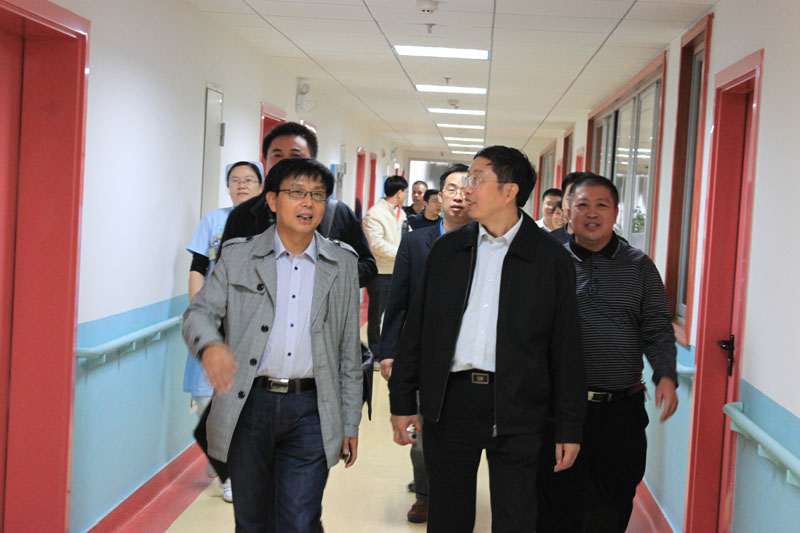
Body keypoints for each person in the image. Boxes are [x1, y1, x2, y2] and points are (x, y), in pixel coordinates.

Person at [389, 146, 586, 532]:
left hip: (520, 403)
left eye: (477, 180)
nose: (466, 189)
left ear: (510, 191)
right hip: (452, 400)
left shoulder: (550, 259)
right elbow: (419, 329)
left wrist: (569, 426)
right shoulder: (448, 249)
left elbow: (565, 349)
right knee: (448, 516)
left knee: (515, 516)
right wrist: (402, 400)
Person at [183, 158, 363, 531]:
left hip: (312, 407)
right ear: (272, 200)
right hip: (249, 404)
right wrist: (211, 346)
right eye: (297, 192)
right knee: (252, 521)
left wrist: (350, 422)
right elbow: (198, 313)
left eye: (318, 195)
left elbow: (349, 350)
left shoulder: (342, 263)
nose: (308, 203)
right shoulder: (239, 255)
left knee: (299, 519)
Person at [536, 174, 678, 533]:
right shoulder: (548, 261)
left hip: (621, 411)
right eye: (582, 205)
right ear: (568, 211)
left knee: (613, 502)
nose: (592, 213)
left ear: (616, 213)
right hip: (558, 409)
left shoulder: (639, 266)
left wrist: (665, 374)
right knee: (555, 505)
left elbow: (657, 326)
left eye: (602, 205)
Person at [379, 164, 470, 523]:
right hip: (421, 354)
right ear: (439, 197)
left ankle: (450, 497)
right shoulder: (417, 242)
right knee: (421, 431)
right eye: (451, 190)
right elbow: (398, 300)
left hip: (465, 357)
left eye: (466, 189)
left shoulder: (485, 243)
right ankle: (425, 494)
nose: (458, 196)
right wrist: (389, 352)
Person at [183, 160, 264, 502]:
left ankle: (229, 474)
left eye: (249, 179)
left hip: (247, 323)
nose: (241, 185)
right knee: (206, 397)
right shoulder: (213, 220)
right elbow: (197, 267)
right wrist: (199, 314)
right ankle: (219, 454)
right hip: (214, 319)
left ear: (261, 185)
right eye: (235, 180)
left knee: (237, 399)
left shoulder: (268, 221)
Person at [219, 121, 377, 289]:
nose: (286, 162)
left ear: (312, 161)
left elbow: (367, 267)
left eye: (295, 155)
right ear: (266, 162)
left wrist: (323, 274)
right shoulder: (243, 215)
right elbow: (225, 270)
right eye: (277, 155)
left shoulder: (336, 213)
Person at [362, 175, 408, 362]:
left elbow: (406, 236)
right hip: (380, 273)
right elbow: (376, 245)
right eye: (405, 192)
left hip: (397, 271)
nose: (405, 195)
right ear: (399, 193)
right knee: (376, 316)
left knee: (394, 313)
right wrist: (403, 254)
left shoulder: (400, 213)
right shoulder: (374, 214)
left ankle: (390, 350)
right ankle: (375, 352)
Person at [550, 172, 592, 245]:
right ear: (562, 202)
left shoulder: (612, 246)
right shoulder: (546, 242)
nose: (576, 206)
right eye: (570, 199)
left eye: (584, 200)